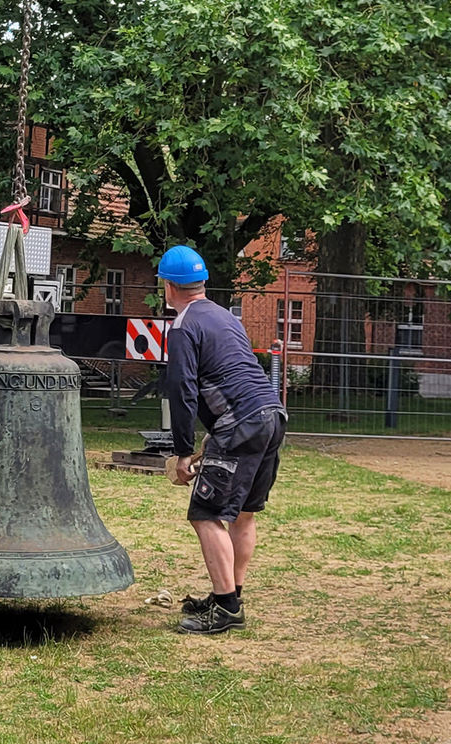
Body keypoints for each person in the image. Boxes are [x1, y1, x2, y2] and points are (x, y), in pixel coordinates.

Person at [157, 243, 286, 636]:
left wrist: (181, 452)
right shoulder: (226, 317)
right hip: (272, 415)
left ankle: (226, 608)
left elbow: (182, 390)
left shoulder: (183, 326)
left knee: (206, 515)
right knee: (243, 514)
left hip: (239, 426)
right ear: (202, 282)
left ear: (167, 286)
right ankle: (230, 594)